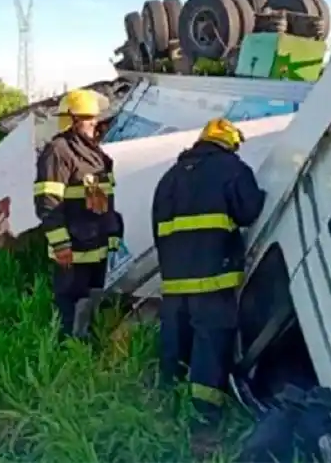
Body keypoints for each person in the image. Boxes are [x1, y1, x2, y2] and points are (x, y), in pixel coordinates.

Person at [151, 117, 266, 457]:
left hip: (174, 284)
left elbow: (159, 231)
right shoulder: (232, 169)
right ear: (228, 143)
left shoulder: (168, 179)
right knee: (210, 350)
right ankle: (203, 425)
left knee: (174, 347)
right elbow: (249, 210)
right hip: (213, 281)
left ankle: (164, 411)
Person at [33, 89, 123, 341]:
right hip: (72, 250)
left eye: (94, 117)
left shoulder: (95, 154)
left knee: (91, 302)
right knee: (70, 305)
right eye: (87, 117)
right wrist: (60, 243)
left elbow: (106, 200)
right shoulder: (58, 152)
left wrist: (113, 232)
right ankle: (67, 352)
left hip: (97, 246)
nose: (94, 122)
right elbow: (48, 201)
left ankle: (86, 348)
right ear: (70, 119)